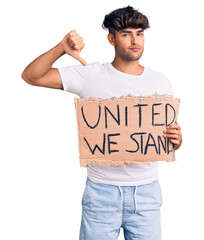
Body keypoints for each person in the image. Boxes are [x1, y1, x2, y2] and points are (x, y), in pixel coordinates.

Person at [21, 5, 182, 240]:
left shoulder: (161, 82)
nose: (135, 40)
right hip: (101, 194)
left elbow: (166, 136)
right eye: (126, 34)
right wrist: (61, 49)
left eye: (140, 33)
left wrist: (176, 140)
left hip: (146, 194)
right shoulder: (91, 75)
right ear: (111, 38)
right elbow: (31, 76)